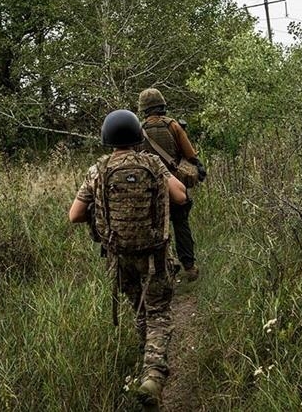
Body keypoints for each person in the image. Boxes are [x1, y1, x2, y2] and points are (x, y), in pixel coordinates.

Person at [68, 109, 189, 409]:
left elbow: (74, 215)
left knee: (140, 308)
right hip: (156, 256)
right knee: (158, 312)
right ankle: (153, 374)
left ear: (107, 138)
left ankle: (144, 361)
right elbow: (181, 196)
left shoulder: (98, 170)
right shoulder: (152, 163)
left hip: (119, 257)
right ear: (138, 136)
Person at [135, 88, 206, 281]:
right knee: (181, 224)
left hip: (149, 190)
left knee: (156, 230)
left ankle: (164, 267)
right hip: (174, 186)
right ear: (162, 105)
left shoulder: (138, 130)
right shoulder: (173, 126)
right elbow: (190, 155)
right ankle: (189, 267)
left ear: (144, 109)